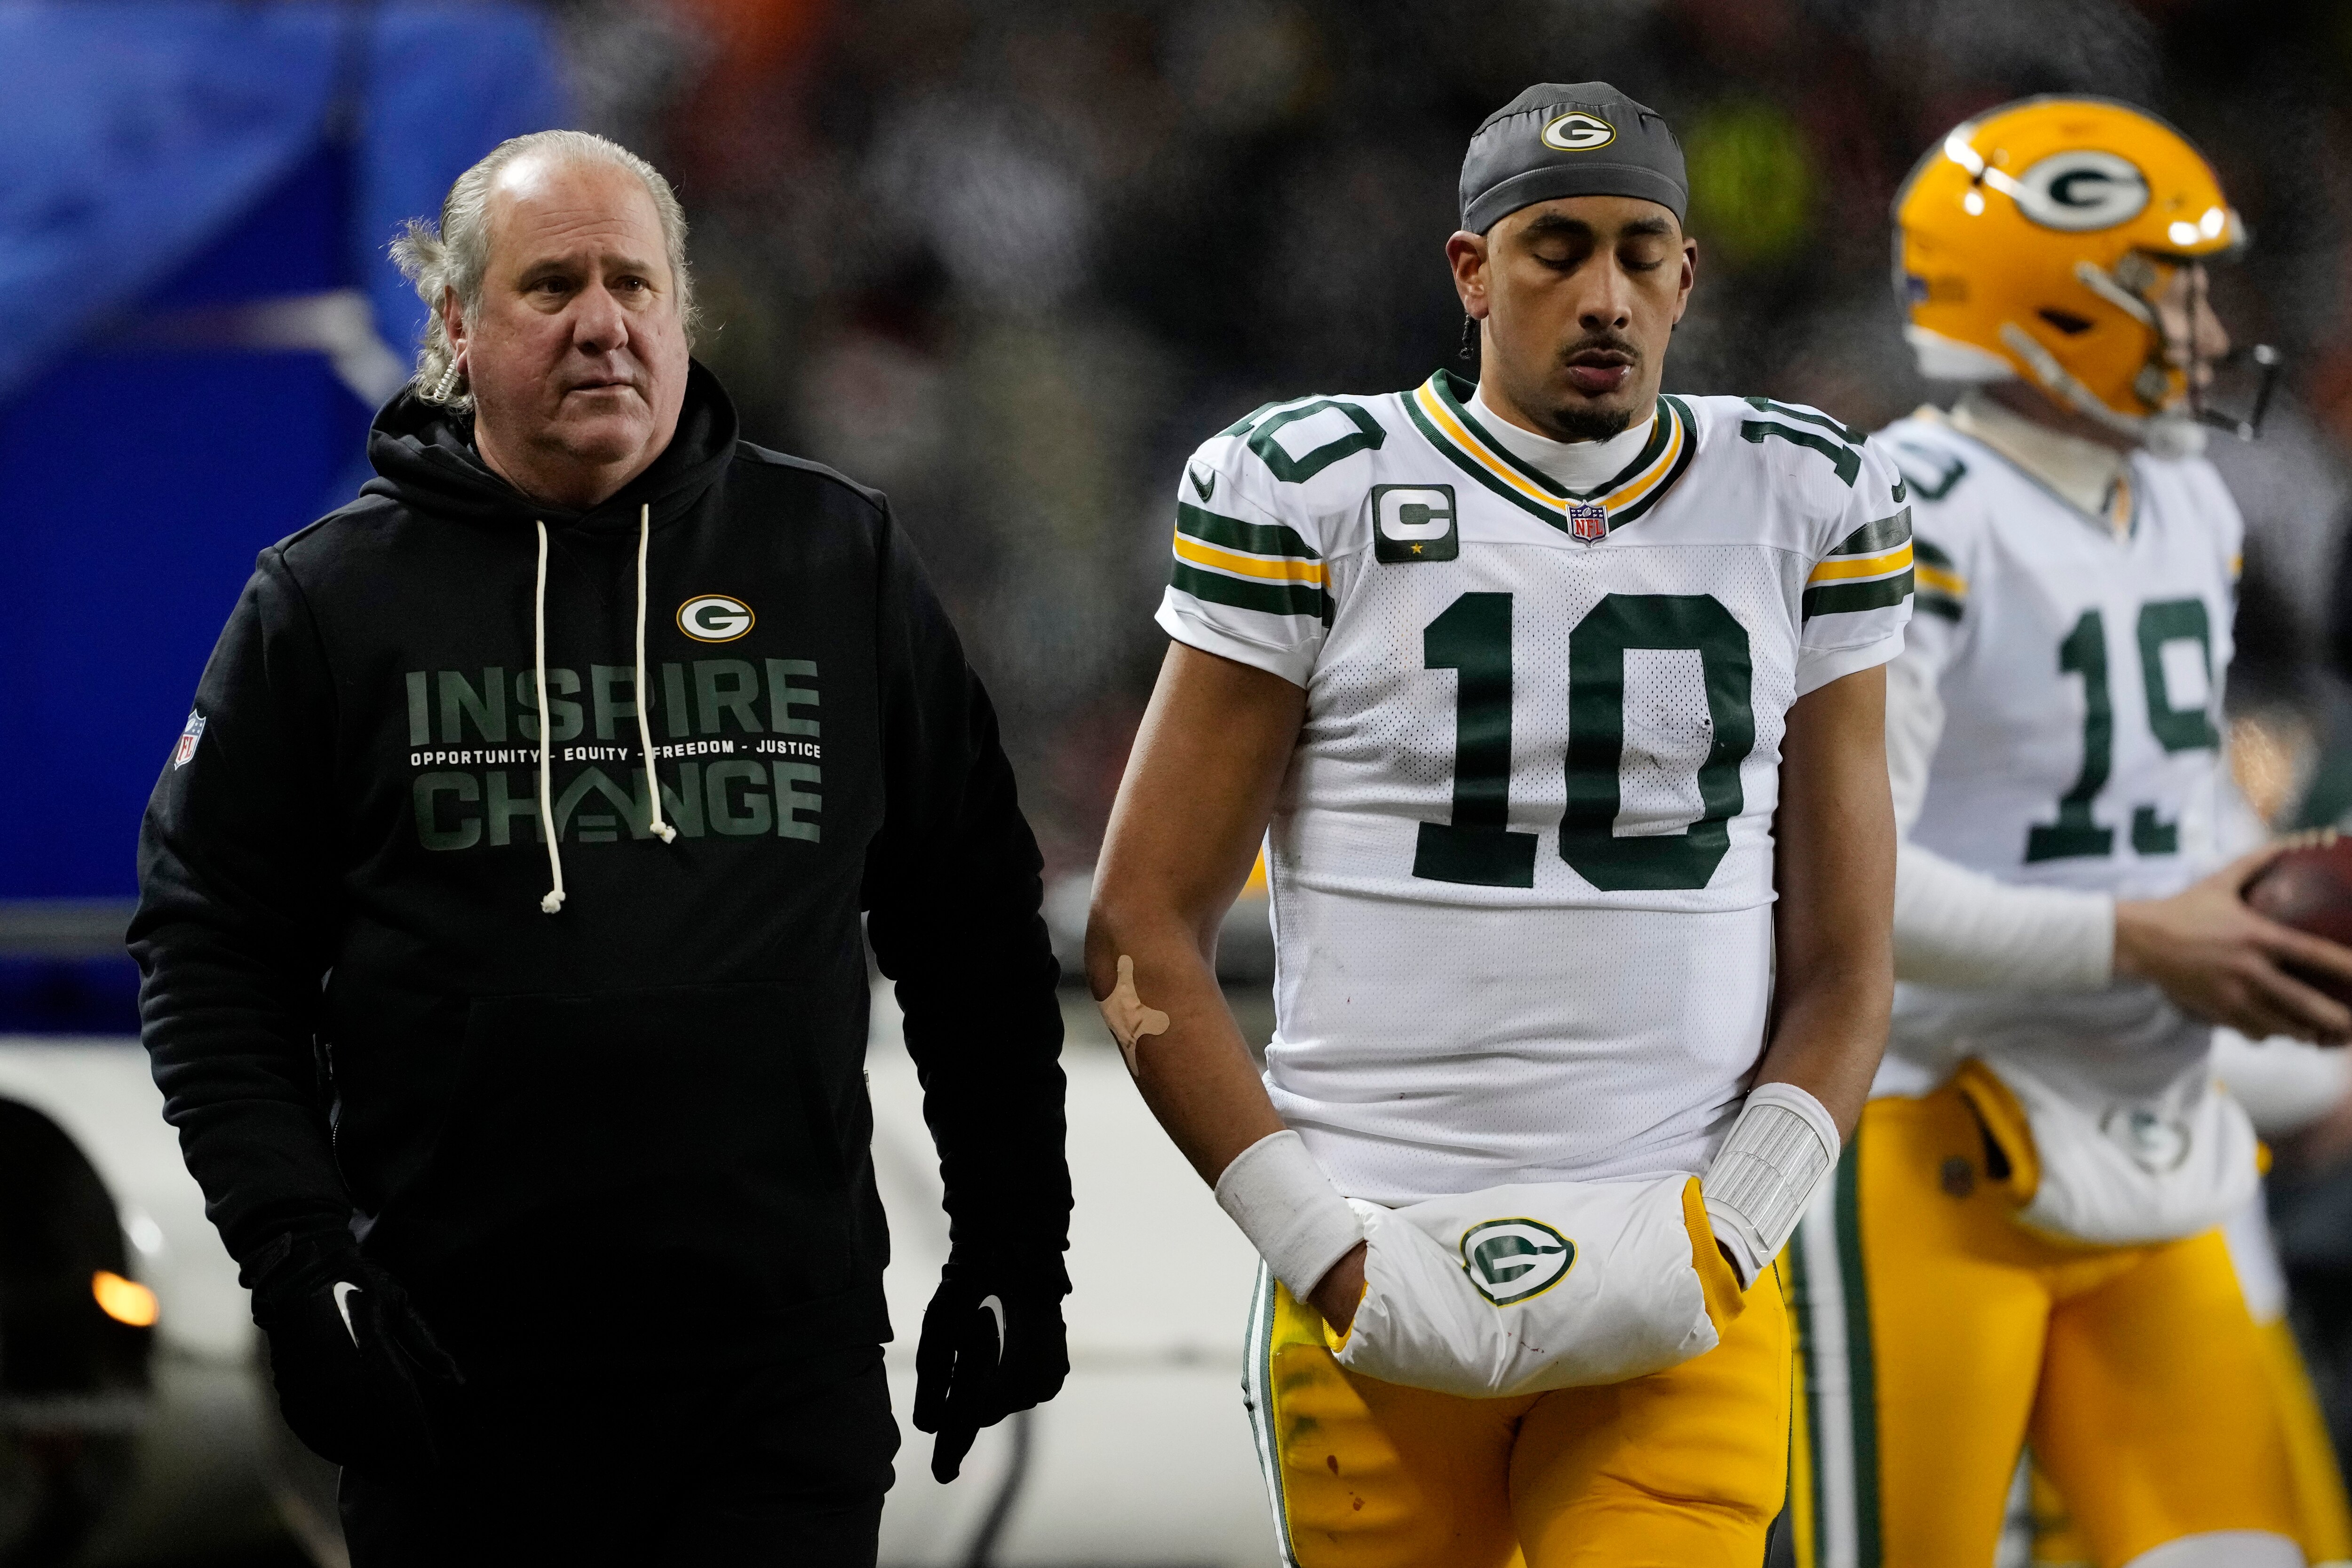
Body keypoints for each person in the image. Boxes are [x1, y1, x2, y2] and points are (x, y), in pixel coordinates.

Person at [128, 129, 1070, 1566]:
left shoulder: (839, 562)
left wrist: (1015, 1245)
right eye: (549, 284)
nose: (602, 323)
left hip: (775, 1380)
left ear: (682, 312)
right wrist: (296, 1253)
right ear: (455, 323)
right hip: (450, 1382)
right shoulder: (327, 605)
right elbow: (210, 955)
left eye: (635, 282)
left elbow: (974, 936)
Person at [1088, 83, 1908, 1566]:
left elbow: (1848, 963)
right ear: (1470, 272)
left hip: (1676, 1265)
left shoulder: (1807, 495)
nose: (1604, 297)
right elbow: (1143, 928)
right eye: (1555, 249)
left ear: (1687, 275)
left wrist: (1732, 1231)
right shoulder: (1311, 490)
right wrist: (1318, 1248)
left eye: (1640, 252)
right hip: (1380, 1246)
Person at [1787, 97, 2352, 1568]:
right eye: (2170, 289)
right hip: (1933, 1141)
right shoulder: (1909, 507)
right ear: (2049, 300)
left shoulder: (2178, 493)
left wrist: (2305, 1036)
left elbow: (2187, 842)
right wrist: (2143, 940)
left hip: (2158, 1141)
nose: (2214, 333)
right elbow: (1846, 896)